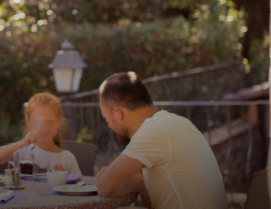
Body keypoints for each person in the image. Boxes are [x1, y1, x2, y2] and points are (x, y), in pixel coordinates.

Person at [96, 72, 227, 209]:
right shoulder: (176, 123)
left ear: (118, 114)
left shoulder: (154, 130)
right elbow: (136, 176)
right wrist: (139, 184)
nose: (108, 125)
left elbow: (105, 187)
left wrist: (140, 186)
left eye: (106, 118)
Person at [0, 92, 82, 176]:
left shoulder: (67, 159)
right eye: (39, 122)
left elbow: (81, 187)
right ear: (28, 121)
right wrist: (20, 143)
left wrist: (67, 178)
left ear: (59, 122)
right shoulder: (21, 152)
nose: (44, 127)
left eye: (50, 122)